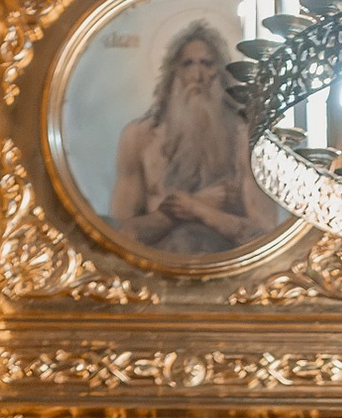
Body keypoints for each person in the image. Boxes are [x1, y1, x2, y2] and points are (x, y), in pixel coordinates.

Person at [108, 22, 280, 262]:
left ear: (220, 72)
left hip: (228, 272)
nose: (197, 76)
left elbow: (263, 233)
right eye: (188, 64)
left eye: (207, 64)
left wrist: (199, 211)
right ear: (174, 72)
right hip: (157, 272)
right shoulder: (139, 137)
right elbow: (120, 234)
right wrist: (192, 206)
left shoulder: (244, 138)